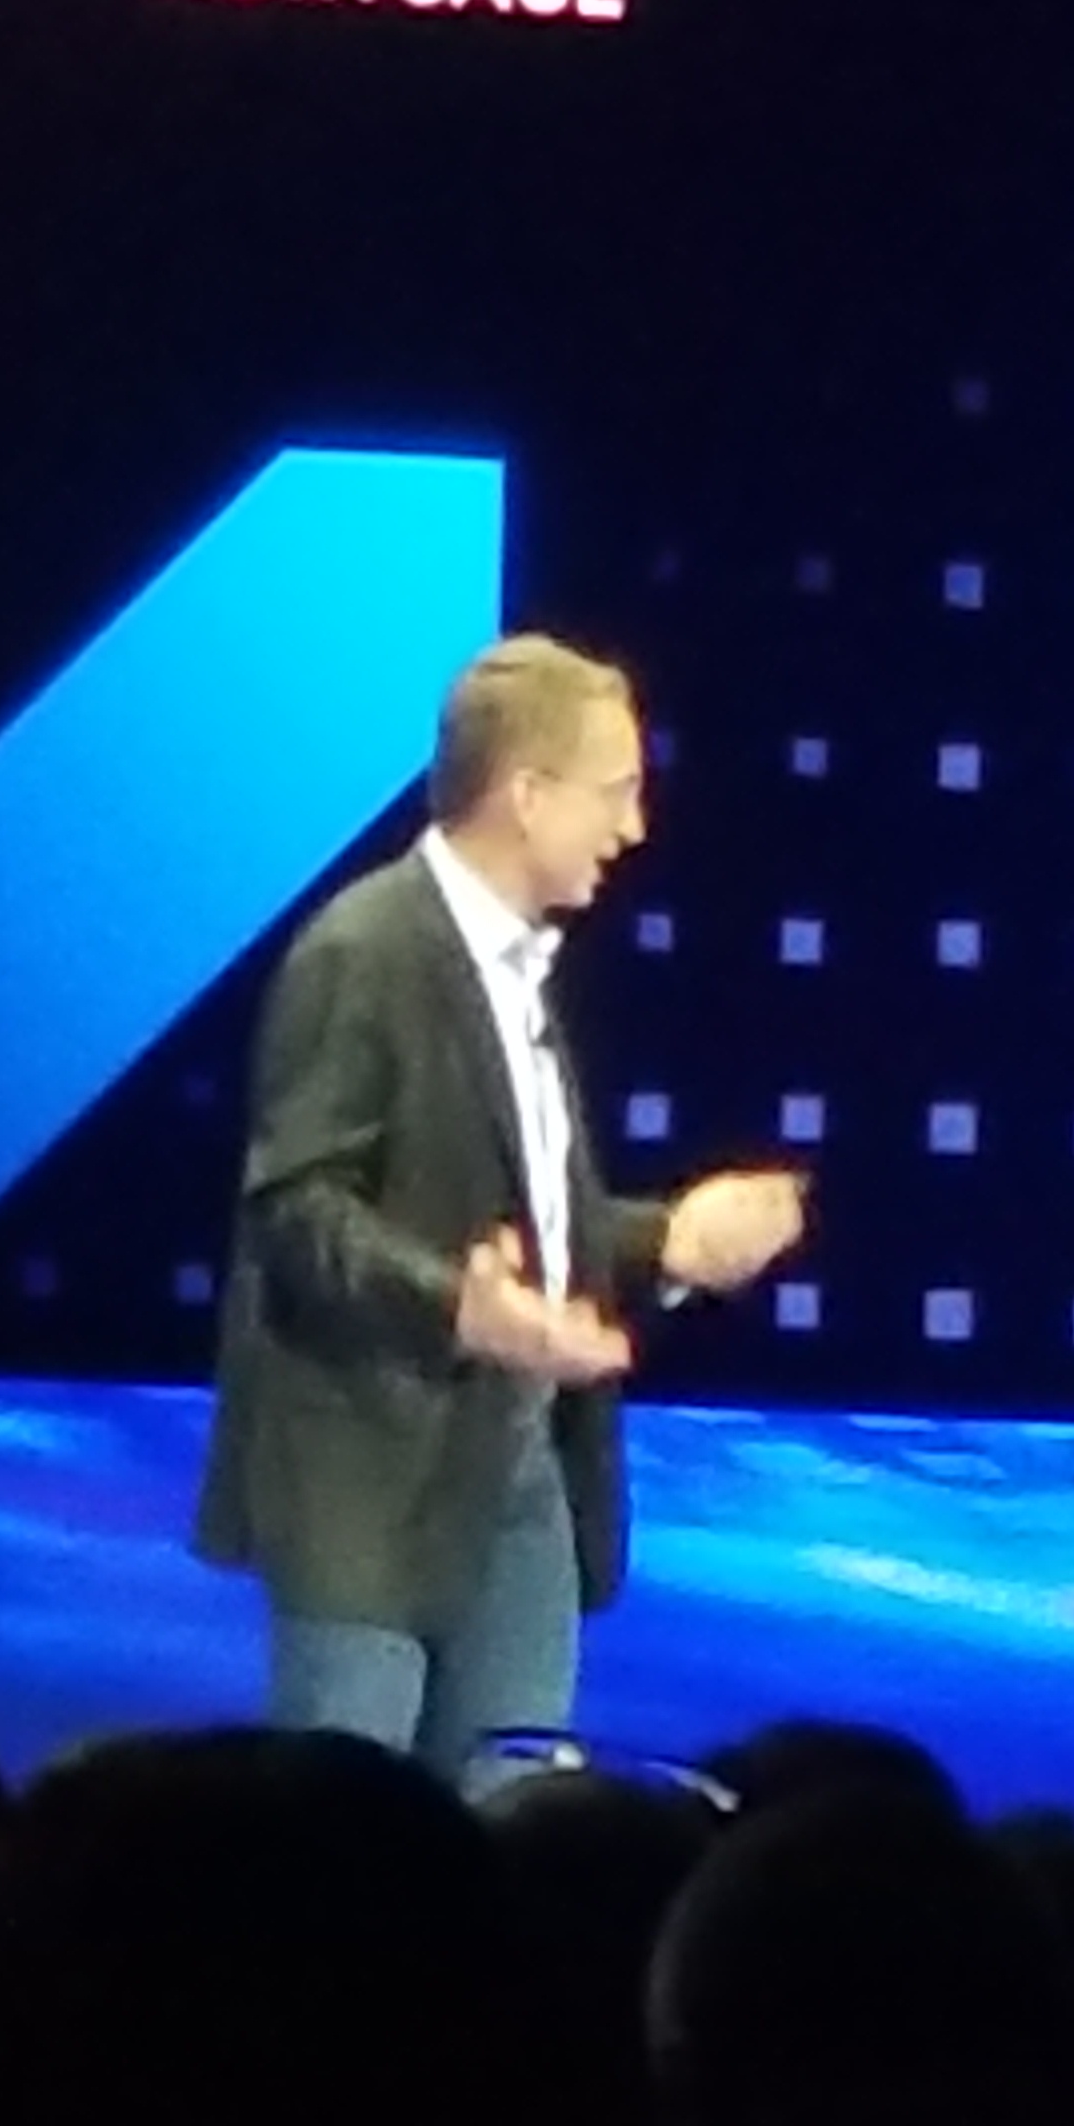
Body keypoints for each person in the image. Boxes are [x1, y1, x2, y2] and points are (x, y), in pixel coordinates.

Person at [193, 633, 807, 1780]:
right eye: (615, 792)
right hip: (370, 1493)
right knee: (351, 1836)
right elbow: (295, 1209)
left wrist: (670, 1241)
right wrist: (458, 1311)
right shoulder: (366, 951)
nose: (635, 827)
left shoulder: (516, 967)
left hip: (519, 1474)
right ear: (527, 795)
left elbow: (526, 1227)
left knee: (518, 1817)